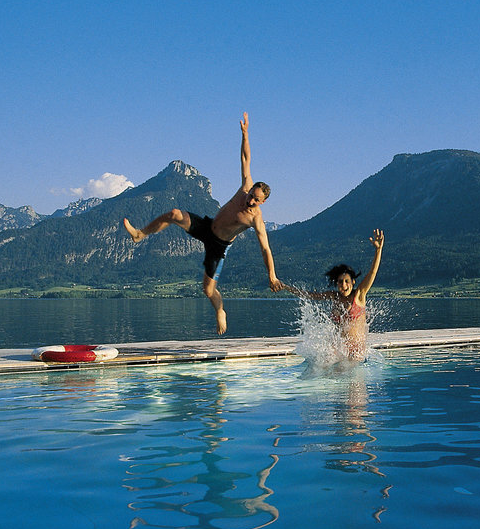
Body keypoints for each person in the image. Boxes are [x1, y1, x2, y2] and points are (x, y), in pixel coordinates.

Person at [123, 112, 282, 334]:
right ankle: (140, 234)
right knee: (174, 214)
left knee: (208, 290)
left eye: (256, 200)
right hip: (207, 227)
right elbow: (246, 158)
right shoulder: (246, 187)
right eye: (251, 195)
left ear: (262, 202)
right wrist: (245, 134)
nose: (250, 200)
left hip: (219, 246)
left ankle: (220, 311)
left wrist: (272, 275)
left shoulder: (256, 219)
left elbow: (265, 249)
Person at [282, 229, 384, 361]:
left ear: (353, 282)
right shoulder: (334, 296)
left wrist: (378, 250)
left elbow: (372, 273)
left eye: (347, 281)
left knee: (347, 370)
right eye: (340, 282)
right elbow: (309, 295)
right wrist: (285, 287)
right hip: (340, 351)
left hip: (356, 353)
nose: (344, 285)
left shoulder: (359, 295)